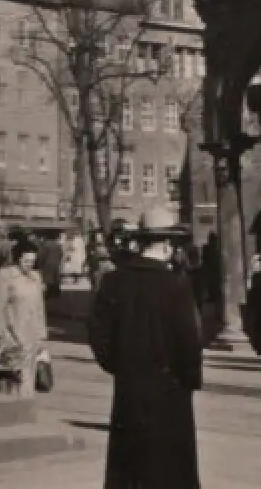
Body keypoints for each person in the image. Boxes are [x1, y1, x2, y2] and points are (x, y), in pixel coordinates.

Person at [88, 205, 202, 489]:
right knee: (169, 470)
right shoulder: (176, 285)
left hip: (129, 389)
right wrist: (188, 379)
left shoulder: (114, 281)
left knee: (130, 468)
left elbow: (98, 333)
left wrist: (120, 365)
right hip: (170, 392)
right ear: (166, 244)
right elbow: (190, 343)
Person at [0, 237, 48, 397]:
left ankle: (26, 401)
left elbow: (40, 307)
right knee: (12, 376)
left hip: (32, 334)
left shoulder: (36, 277)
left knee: (29, 376)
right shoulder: (6, 276)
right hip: (12, 333)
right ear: (18, 259)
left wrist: (42, 334)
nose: (30, 265)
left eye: (32, 261)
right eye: (26, 261)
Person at [39, 234, 63, 301]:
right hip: (56, 263)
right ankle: (57, 292)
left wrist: (40, 263)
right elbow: (61, 254)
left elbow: (42, 255)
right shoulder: (57, 244)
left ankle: (49, 293)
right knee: (56, 278)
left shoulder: (45, 245)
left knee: (48, 279)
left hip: (48, 263)